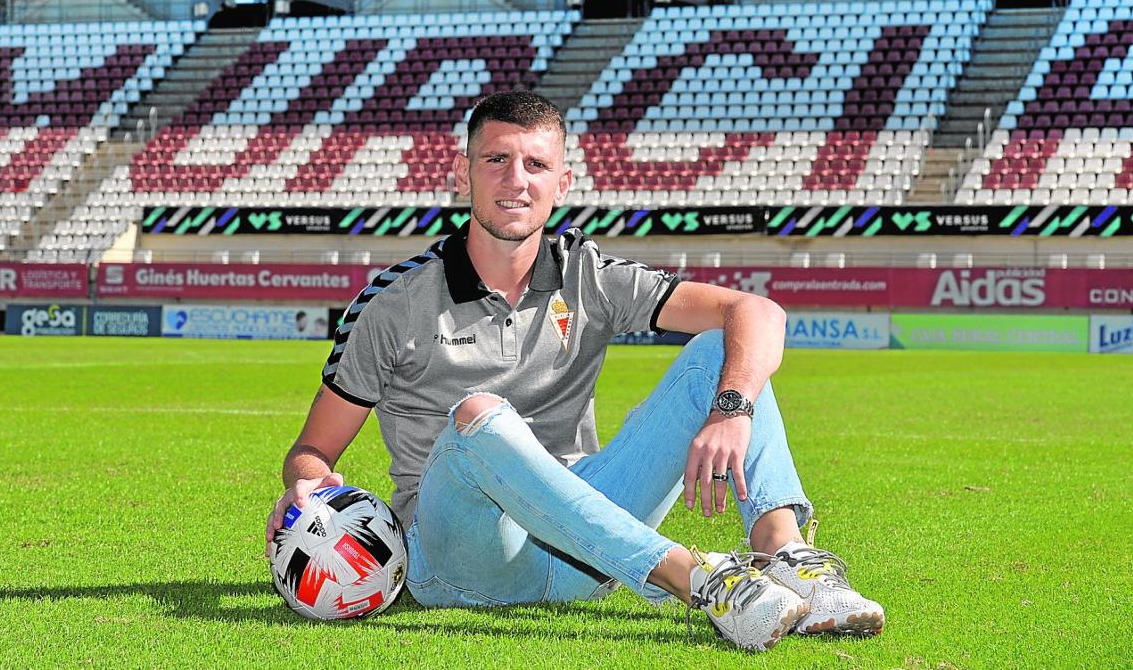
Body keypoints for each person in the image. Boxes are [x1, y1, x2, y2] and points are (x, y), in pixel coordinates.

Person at [266, 92, 884, 651]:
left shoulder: (586, 274)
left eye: (535, 165)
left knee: (722, 350)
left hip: (588, 554)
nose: (516, 181)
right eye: (496, 161)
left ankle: (788, 558)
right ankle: (694, 577)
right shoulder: (393, 304)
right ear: (462, 174)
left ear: (562, 182)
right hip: (467, 558)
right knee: (481, 414)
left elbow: (756, 310)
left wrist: (732, 408)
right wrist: (306, 486)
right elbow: (312, 450)